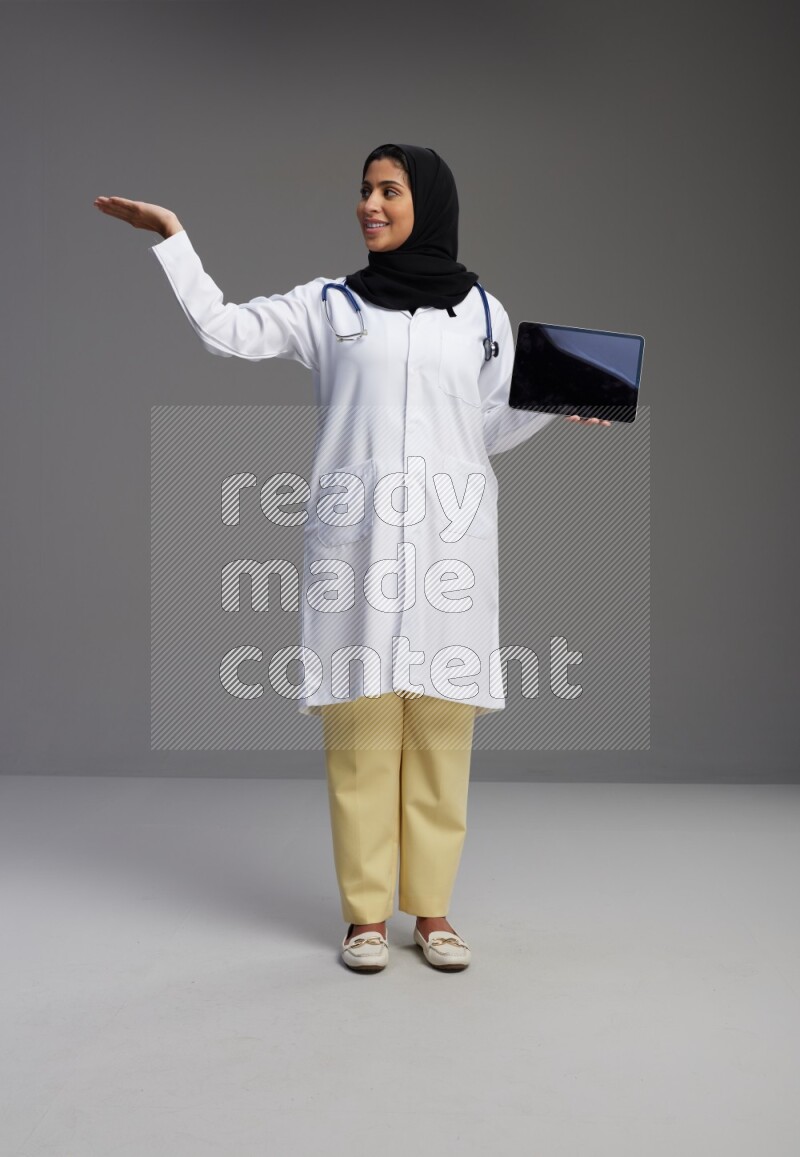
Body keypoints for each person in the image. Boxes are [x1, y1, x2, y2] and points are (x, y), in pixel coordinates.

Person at [94, 143, 609, 974]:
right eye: (365, 191)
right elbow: (225, 328)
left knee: (442, 734)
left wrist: (559, 400)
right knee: (362, 734)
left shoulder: (482, 315)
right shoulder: (327, 306)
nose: (370, 203)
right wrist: (174, 238)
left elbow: (487, 426)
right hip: (358, 549)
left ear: (428, 203)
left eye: (390, 190)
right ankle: (366, 917)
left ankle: (433, 914)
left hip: (448, 544)